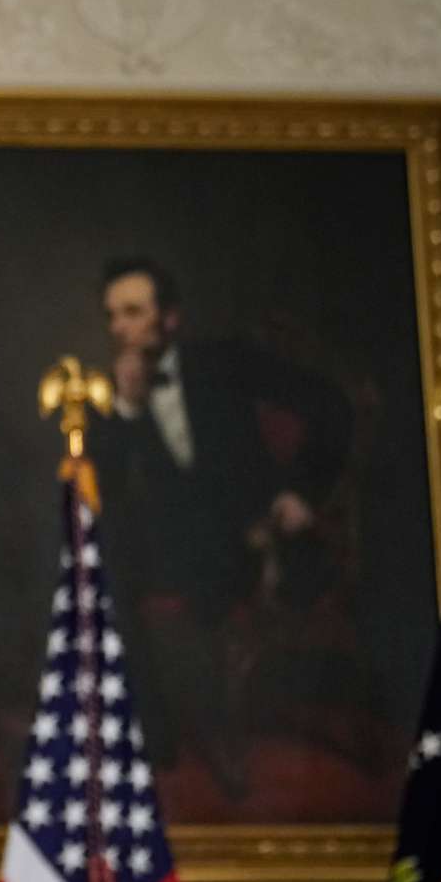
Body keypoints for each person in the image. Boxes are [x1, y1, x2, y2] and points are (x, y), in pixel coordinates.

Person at [85, 255, 354, 800]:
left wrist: (301, 492)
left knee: (191, 574)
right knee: (106, 564)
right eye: (113, 316)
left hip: (257, 531)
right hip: (179, 542)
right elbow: (104, 490)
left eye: (134, 312)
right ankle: (151, 737)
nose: (120, 329)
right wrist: (129, 407)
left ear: (171, 319)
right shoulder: (109, 391)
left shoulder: (226, 361)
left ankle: (217, 738)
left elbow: (332, 405)